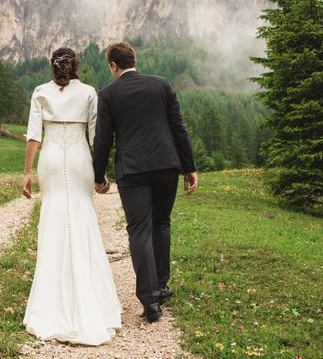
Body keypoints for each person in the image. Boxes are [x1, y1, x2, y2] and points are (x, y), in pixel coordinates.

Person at [22, 47, 122, 345]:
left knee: (53, 218)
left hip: (51, 158)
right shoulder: (90, 92)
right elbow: (97, 137)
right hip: (79, 158)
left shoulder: (40, 92)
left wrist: (27, 172)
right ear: (75, 66)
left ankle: (52, 301)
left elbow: (33, 136)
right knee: (81, 216)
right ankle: (90, 297)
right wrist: (100, 173)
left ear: (53, 68)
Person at [93, 42, 198, 323]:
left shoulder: (108, 94)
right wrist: (189, 167)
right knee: (161, 223)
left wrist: (98, 176)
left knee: (139, 229)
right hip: (166, 166)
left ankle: (150, 299)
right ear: (134, 60)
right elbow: (179, 127)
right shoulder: (162, 85)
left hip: (133, 170)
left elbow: (103, 139)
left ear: (114, 65)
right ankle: (162, 286)